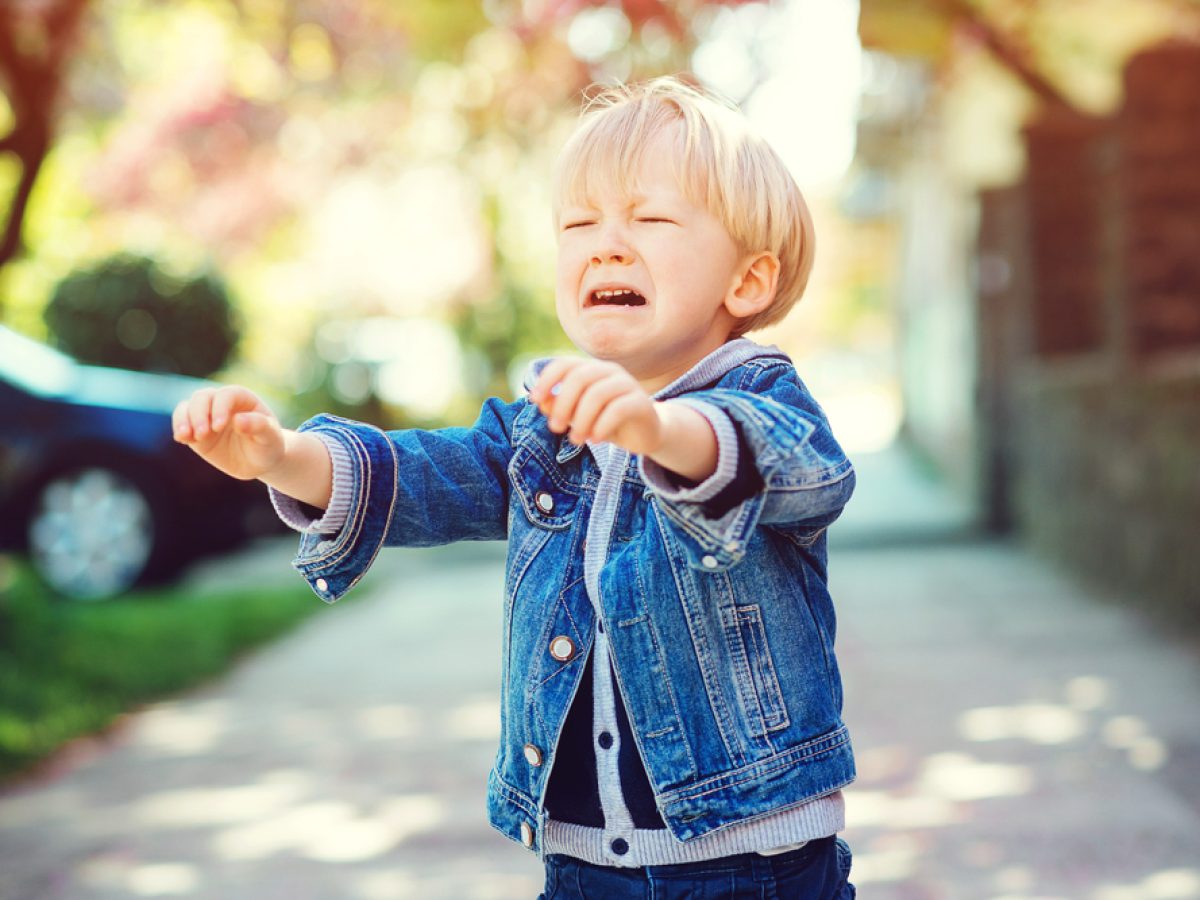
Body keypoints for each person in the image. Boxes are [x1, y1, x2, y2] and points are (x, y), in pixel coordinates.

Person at [174, 76, 857, 898]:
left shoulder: (763, 400)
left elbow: (800, 470)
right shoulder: (545, 429)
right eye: (579, 224)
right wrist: (280, 457)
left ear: (745, 283)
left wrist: (657, 430)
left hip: (750, 858)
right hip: (578, 860)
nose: (605, 243)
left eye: (650, 218)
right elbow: (426, 476)